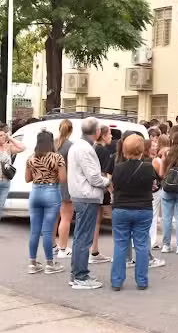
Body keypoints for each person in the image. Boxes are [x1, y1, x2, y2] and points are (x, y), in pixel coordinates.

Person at [67, 117, 112, 290]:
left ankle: (77, 274)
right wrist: (107, 182)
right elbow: (93, 177)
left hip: (81, 195)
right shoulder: (84, 148)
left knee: (81, 237)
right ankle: (80, 276)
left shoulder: (78, 146)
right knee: (84, 238)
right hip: (86, 196)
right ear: (97, 131)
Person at [110, 134, 159, 291]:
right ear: (142, 150)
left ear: (124, 150)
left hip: (121, 208)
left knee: (120, 244)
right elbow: (155, 185)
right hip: (143, 208)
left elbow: (114, 186)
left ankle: (117, 281)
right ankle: (142, 280)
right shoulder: (148, 167)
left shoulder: (118, 168)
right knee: (142, 244)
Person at [26, 130, 66, 275]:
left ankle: (32, 264)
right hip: (51, 192)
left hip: (35, 193)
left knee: (34, 231)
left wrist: (39, 174)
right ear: (51, 142)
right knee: (48, 231)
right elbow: (63, 179)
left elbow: (27, 179)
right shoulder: (57, 157)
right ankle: (50, 264)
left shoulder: (31, 158)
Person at [159, 134, 178, 254]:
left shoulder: (166, 154)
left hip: (167, 187)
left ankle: (166, 245)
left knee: (166, 217)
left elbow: (161, 173)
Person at [88, 124, 113, 265]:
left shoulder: (93, 148)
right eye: (109, 134)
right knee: (114, 219)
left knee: (96, 220)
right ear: (103, 136)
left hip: (93, 188)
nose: (111, 136)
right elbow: (105, 173)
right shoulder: (103, 151)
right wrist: (110, 189)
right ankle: (95, 251)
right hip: (102, 188)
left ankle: (94, 250)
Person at [54, 119, 75, 258]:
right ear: (70, 130)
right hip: (65, 184)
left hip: (51, 184)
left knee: (54, 217)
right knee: (66, 218)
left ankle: (53, 246)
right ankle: (63, 248)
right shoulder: (70, 146)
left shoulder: (52, 143)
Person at [0, 123, 25, 222]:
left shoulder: (8, 147)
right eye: (0, 136)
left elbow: (22, 147)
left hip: (5, 181)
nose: (2, 137)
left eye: (3, 135)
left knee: (0, 206)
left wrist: (10, 138)